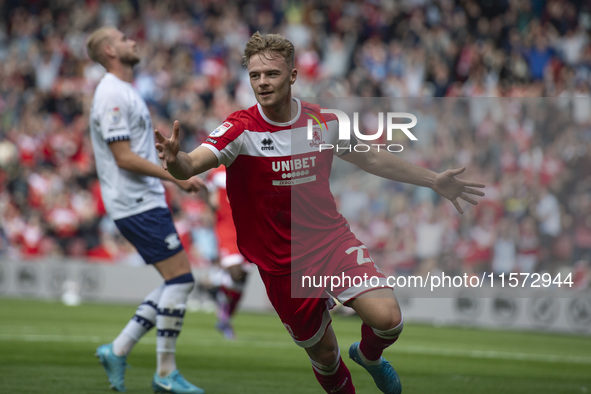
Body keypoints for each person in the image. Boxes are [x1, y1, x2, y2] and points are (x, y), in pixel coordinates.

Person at [155, 32, 485, 394]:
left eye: (272, 74)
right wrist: (177, 162)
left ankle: (369, 356)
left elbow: (371, 156)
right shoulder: (241, 129)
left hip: (329, 241)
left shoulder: (324, 122)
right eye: (255, 75)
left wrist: (434, 180)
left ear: (293, 76)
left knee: (388, 320)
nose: (262, 82)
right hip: (280, 263)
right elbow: (192, 163)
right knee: (326, 357)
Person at [86, 26, 205, 394]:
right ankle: (164, 373)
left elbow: (134, 151)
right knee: (182, 281)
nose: (133, 41)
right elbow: (123, 158)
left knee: (176, 281)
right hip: (134, 201)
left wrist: (169, 159)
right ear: (109, 50)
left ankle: (118, 349)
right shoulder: (111, 95)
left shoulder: (124, 91)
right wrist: (175, 177)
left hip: (142, 199)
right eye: (123, 39)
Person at [205, 165, 250, 339]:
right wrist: (210, 209)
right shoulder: (216, 172)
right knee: (236, 272)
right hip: (226, 228)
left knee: (242, 279)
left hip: (248, 229)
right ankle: (217, 284)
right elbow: (210, 196)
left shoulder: (249, 167)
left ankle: (225, 319)